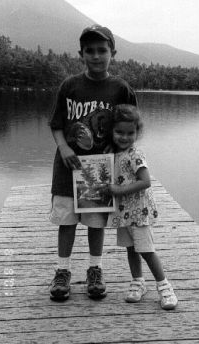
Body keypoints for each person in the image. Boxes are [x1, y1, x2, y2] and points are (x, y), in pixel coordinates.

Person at [49, 25, 137, 301]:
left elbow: (132, 126)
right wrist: (63, 147)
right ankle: (62, 271)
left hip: (100, 169)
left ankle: (94, 269)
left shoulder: (120, 88)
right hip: (68, 167)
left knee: (96, 221)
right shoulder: (70, 86)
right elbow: (56, 124)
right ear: (81, 54)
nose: (96, 56)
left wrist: (120, 148)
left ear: (113, 53)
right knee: (67, 220)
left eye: (102, 50)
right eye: (90, 51)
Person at [106, 104, 178, 310]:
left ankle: (165, 287)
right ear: (112, 131)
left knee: (146, 250)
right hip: (123, 212)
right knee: (131, 249)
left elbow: (145, 181)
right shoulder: (114, 154)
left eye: (130, 133)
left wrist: (118, 191)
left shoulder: (135, 154)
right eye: (119, 132)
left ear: (137, 132)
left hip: (138, 211)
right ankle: (138, 282)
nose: (124, 137)